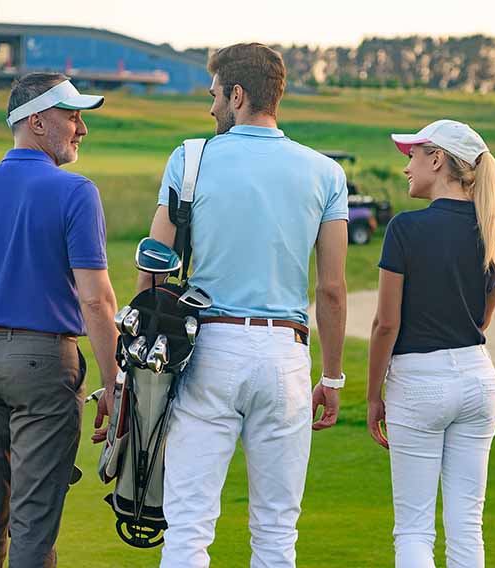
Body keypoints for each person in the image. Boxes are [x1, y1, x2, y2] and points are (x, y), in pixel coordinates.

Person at [137, 43, 349, 567]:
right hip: (286, 355)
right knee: (277, 532)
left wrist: (133, 363)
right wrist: (335, 376)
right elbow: (332, 289)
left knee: (188, 525)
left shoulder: (189, 158)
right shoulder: (326, 173)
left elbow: (154, 265)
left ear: (237, 94)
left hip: (209, 349)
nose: (210, 109)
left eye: (214, 96)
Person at [0, 72, 120, 567]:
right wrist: (114, 383)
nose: (81, 128)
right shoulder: (76, 192)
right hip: (43, 363)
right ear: (37, 121)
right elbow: (96, 301)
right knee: (33, 520)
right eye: (72, 116)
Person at [366, 120, 495, 568]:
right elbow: (481, 320)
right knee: (467, 524)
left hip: (419, 384)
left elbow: (385, 325)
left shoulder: (405, 230)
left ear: (438, 159)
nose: (407, 168)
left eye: (412, 156)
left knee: (413, 529)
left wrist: (374, 396)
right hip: (478, 381)